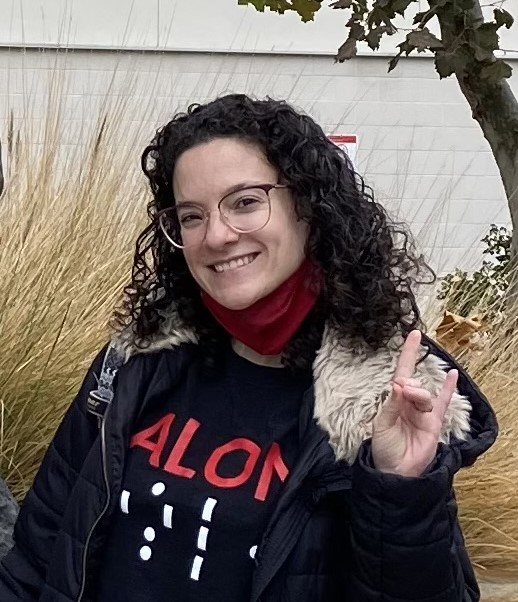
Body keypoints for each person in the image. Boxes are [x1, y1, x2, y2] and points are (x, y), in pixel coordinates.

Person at [0, 94, 497, 602]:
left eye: (245, 203)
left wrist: (402, 489)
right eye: (191, 216)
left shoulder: (378, 402)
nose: (216, 235)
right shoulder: (133, 364)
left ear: (308, 207)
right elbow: (38, 558)